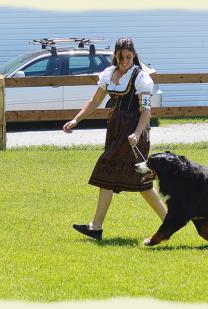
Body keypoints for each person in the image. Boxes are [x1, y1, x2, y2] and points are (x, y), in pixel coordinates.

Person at [63, 37, 167, 240]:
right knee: (133, 180)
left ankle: (97, 226)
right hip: (116, 129)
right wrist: (76, 119)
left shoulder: (140, 77)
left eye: (129, 56)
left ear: (134, 55)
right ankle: (97, 226)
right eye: (121, 57)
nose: (125, 60)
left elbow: (146, 111)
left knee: (110, 170)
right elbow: (95, 101)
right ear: (116, 56)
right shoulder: (109, 74)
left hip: (133, 131)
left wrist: (137, 133)